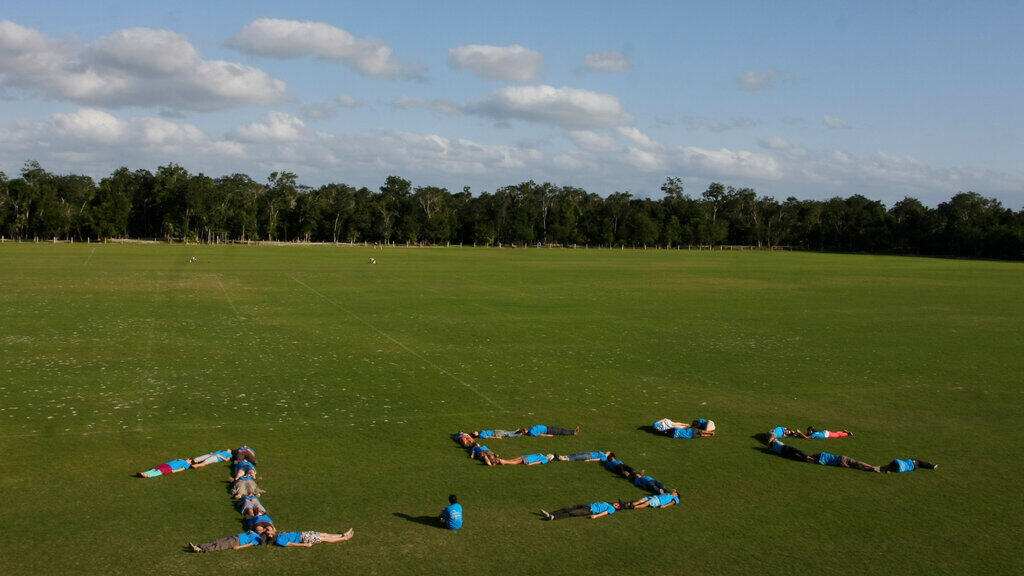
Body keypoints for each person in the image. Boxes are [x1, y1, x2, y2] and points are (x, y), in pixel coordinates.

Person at [189, 530, 263, 553]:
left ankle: (201, 550)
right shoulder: (254, 532)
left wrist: (239, 547)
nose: (259, 528)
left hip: (237, 542)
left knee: (220, 545)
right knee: (216, 541)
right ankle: (199, 546)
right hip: (235, 537)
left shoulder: (258, 538)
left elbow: (250, 544)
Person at [271, 528, 354, 547]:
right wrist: (305, 545)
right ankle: (344, 538)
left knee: (324, 534)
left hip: (303, 533)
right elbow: (290, 544)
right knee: (325, 539)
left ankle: (343, 534)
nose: (270, 533)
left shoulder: (279, 535)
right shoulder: (279, 540)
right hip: (304, 538)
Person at [540, 501, 620, 520]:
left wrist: (595, 516)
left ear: (617, 508)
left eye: (618, 506)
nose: (616, 504)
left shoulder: (612, 509)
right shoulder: (608, 504)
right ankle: (551, 513)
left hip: (590, 510)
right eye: (617, 503)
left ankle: (552, 517)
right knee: (567, 509)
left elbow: (605, 513)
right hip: (587, 506)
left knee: (571, 513)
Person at [812, 451, 877, 472]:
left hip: (839, 463)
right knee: (857, 462)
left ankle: (872, 469)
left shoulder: (820, 461)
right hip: (841, 457)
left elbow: (814, 461)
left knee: (856, 467)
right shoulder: (822, 453)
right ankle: (871, 466)